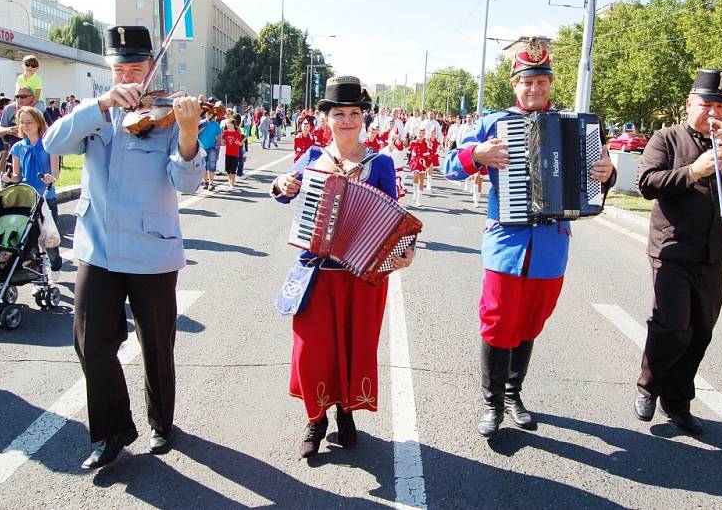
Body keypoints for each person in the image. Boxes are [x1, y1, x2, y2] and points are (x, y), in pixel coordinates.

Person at [42, 26, 204, 469]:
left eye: (137, 69)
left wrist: (188, 133)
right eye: (120, 71)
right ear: (109, 72)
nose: (130, 78)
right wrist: (100, 105)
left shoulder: (170, 114)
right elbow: (52, 143)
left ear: (152, 68)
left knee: (156, 344)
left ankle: (161, 423)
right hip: (98, 248)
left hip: (152, 250)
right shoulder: (96, 112)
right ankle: (112, 430)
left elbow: (186, 182)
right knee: (90, 342)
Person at [443, 38, 616, 438]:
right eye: (527, 81)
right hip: (506, 243)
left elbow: (596, 179)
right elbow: (450, 164)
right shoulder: (492, 122)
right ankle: (491, 404)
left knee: (530, 323)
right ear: (514, 83)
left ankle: (513, 394)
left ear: (550, 84)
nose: (535, 89)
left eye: (542, 81)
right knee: (498, 321)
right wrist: (476, 156)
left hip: (552, 245)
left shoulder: (577, 126)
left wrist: (607, 175)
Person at [271, 76, 414, 458]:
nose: (347, 120)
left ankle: (346, 411)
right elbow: (284, 193)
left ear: (363, 117)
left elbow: (395, 218)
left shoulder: (380, 163)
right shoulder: (312, 158)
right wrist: (282, 182)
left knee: (353, 348)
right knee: (313, 351)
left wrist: (404, 251)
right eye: (339, 114)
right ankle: (315, 419)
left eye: (354, 113)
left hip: (360, 276)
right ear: (326, 118)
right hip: (316, 274)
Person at [633, 69, 722, 434]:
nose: (714, 113)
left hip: (715, 252)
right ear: (689, 104)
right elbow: (646, 184)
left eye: (721, 107)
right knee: (671, 325)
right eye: (707, 104)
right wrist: (692, 171)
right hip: (672, 249)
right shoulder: (667, 138)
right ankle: (649, 387)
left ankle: (678, 403)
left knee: (700, 332)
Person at [2, 106, 62, 279]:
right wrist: (8, 178)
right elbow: (16, 176)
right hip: (28, 198)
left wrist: (51, 178)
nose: (26, 126)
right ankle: (36, 272)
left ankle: (56, 266)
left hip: (46, 196)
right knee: (29, 238)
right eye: (22, 122)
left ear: (38, 122)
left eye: (29, 122)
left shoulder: (49, 144)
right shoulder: (18, 148)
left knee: (49, 237)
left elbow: (56, 172)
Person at [198, 111, 222, 190]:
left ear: (213, 115)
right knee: (203, 166)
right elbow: (195, 133)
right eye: (207, 113)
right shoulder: (201, 122)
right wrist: (202, 127)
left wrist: (218, 145)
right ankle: (206, 182)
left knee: (212, 166)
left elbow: (219, 136)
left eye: (210, 113)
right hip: (202, 148)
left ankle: (211, 183)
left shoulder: (216, 124)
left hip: (212, 148)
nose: (208, 115)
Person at [222, 118, 244, 191]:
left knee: (233, 170)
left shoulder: (237, 134)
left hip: (235, 154)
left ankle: (232, 185)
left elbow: (241, 143)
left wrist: (239, 143)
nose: (227, 125)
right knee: (228, 170)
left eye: (229, 124)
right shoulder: (225, 133)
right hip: (227, 153)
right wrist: (222, 142)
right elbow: (223, 141)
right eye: (227, 124)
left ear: (233, 125)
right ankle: (230, 180)